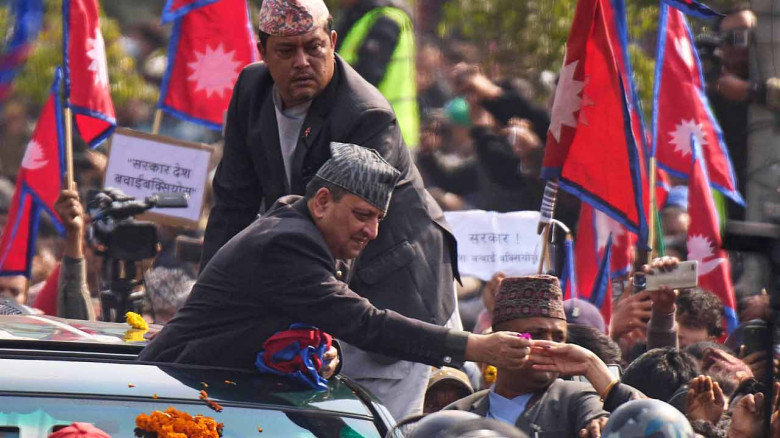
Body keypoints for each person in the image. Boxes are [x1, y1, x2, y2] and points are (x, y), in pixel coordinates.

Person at [201, 0, 460, 420]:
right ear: (262, 51)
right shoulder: (251, 87)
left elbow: (346, 232)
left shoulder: (366, 114)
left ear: (333, 42)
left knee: (369, 426)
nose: (302, 62)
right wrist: (208, 310)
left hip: (394, 287)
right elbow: (232, 204)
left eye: (314, 47)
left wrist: (323, 335)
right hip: (320, 285)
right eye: (286, 51)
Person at [140, 143, 532, 387]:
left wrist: (330, 353)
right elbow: (365, 323)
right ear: (322, 202)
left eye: (378, 219)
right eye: (362, 215)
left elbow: (322, 320)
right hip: (174, 389)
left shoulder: (304, 230)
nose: (372, 232)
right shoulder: (288, 243)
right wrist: (476, 345)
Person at [445, 275, 610, 437]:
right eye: (536, 334)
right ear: (499, 339)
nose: (550, 346)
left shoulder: (577, 400)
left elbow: (612, 418)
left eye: (559, 338)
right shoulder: (459, 414)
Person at [336, 0, 419, 148]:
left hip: (383, 135)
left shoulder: (387, 21)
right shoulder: (363, 16)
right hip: (375, 131)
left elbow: (365, 79)